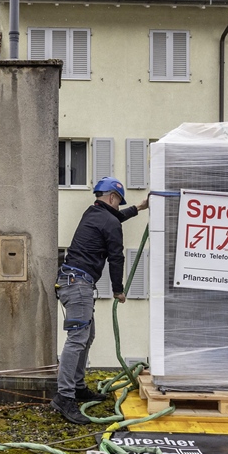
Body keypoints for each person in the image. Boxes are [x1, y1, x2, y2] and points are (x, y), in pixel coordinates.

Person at [54, 176, 148, 424]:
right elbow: (116, 257)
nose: (118, 207)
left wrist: (138, 208)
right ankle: (64, 397)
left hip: (73, 282)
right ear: (113, 197)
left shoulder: (93, 213)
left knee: (87, 335)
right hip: (78, 285)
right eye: (119, 202)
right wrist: (118, 289)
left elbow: (114, 219)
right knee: (77, 339)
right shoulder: (109, 221)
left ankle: (77, 386)